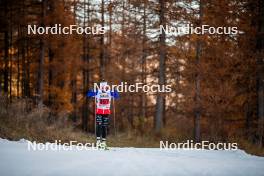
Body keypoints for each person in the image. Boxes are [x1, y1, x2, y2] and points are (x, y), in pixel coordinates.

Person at [87, 80, 119, 149]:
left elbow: (116, 96)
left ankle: (103, 143)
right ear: (100, 86)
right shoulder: (98, 92)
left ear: (106, 86)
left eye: (104, 86)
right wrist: (91, 90)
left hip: (106, 112)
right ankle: (98, 142)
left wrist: (115, 91)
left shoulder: (109, 92)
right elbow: (89, 95)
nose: (103, 88)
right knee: (99, 125)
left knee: (104, 127)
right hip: (99, 111)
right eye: (102, 86)